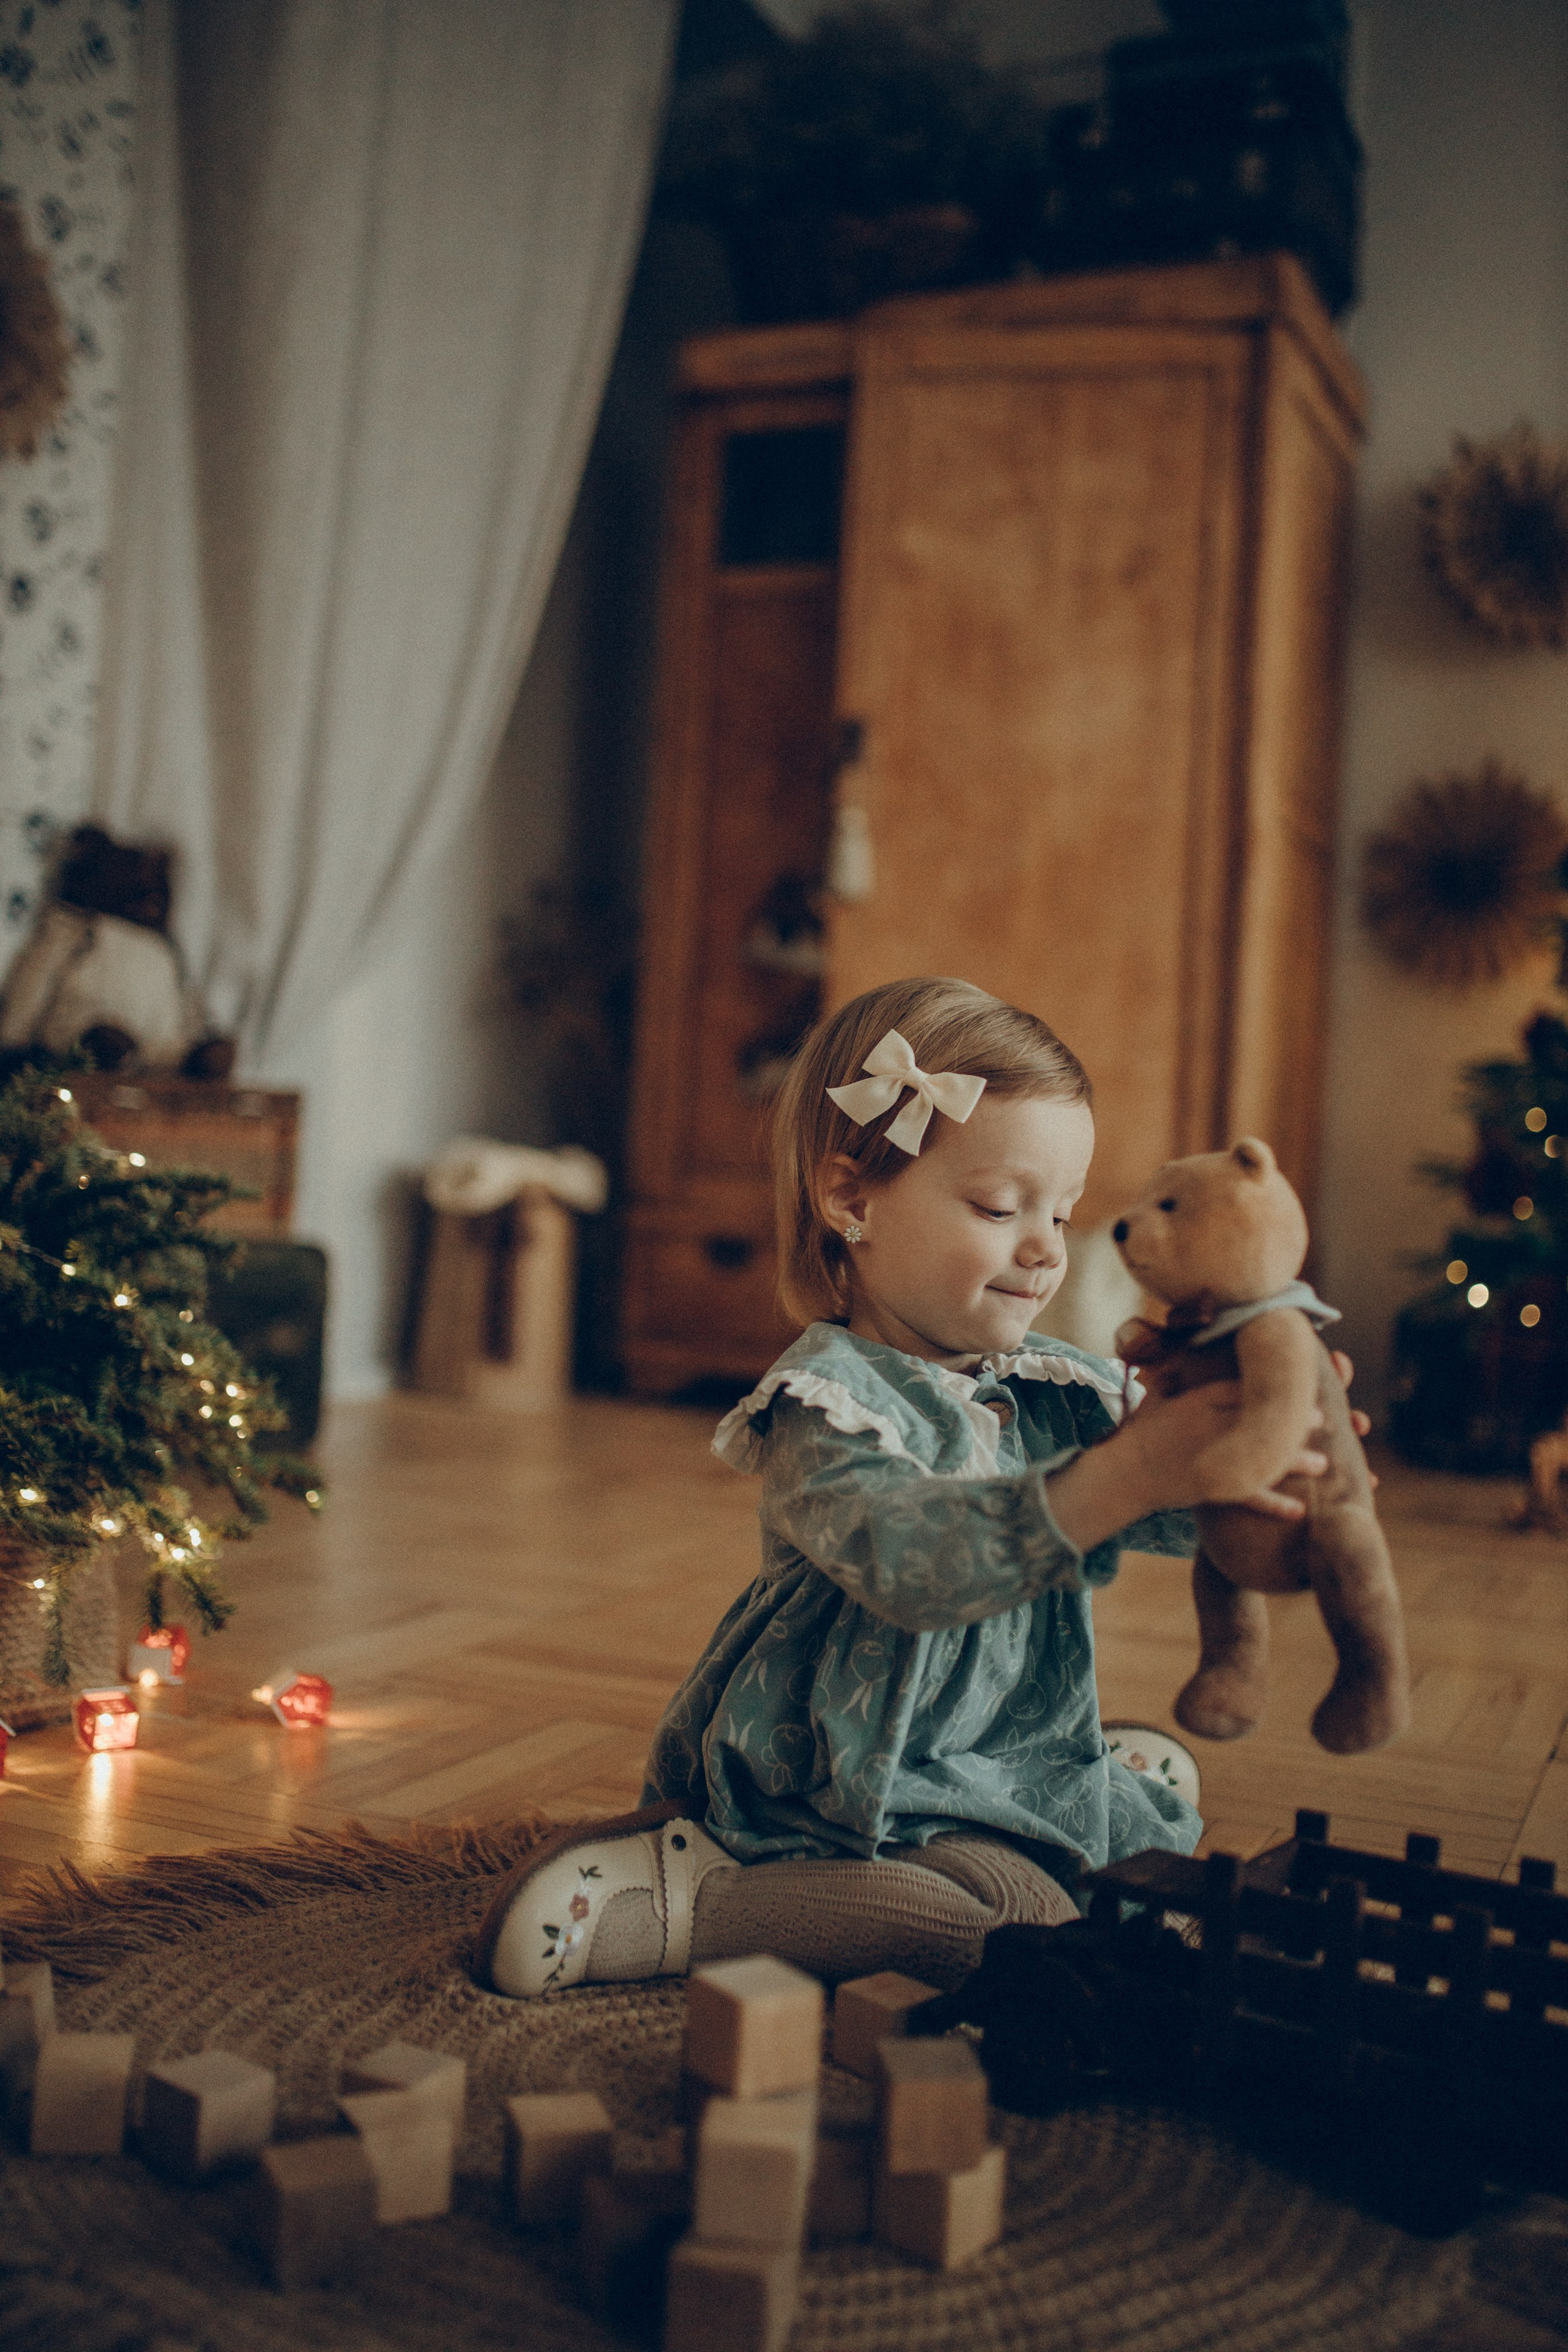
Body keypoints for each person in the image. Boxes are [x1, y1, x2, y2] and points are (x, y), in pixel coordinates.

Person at [477, 977, 1333, 1999]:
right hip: (829, 1787)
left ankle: (1083, 1777)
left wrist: (1258, 1459)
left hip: (986, 1758)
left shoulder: (1050, 1387)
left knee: (1057, 1915)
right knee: (973, 1938)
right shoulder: (823, 1405)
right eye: (999, 1206)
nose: (1045, 1248)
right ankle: (684, 1905)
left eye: (1062, 1212)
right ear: (852, 1200)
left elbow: (1176, 1522)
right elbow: (916, 1567)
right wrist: (1130, 1470)